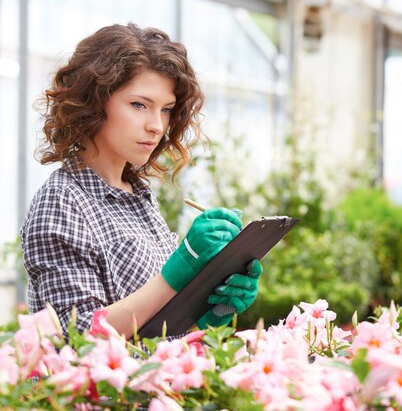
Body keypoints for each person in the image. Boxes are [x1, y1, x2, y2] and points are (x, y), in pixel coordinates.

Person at [20, 23, 263, 339]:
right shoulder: (62, 201)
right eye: (139, 105)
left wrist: (211, 310)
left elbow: (154, 327)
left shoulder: (138, 196)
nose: (157, 126)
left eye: (166, 110)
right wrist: (177, 271)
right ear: (94, 102)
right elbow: (78, 337)